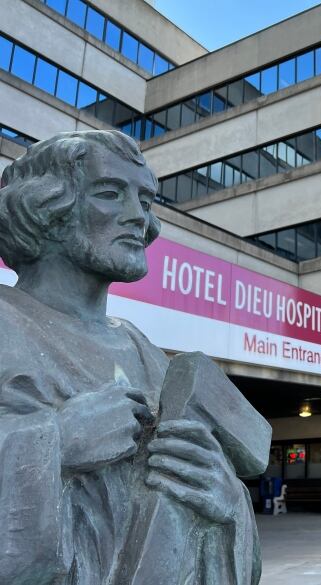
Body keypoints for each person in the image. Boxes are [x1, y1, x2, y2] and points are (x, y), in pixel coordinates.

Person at [0, 131, 261, 584]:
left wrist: (226, 502)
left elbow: (213, 514)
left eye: (146, 200)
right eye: (109, 193)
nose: (138, 217)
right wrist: (56, 441)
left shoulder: (148, 353)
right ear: (41, 208)